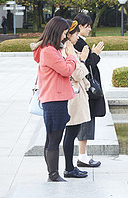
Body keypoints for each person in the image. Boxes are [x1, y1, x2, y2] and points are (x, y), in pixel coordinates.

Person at [32, 16, 77, 182]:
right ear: (57, 32)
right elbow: (66, 70)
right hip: (54, 100)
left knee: (52, 137)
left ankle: (53, 173)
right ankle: (53, 175)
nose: (65, 37)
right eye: (64, 33)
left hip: (55, 98)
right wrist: (71, 56)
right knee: (54, 138)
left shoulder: (50, 49)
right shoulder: (49, 51)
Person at [73, 13, 105, 167]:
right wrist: (96, 55)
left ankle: (82, 155)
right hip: (84, 88)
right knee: (85, 120)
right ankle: (82, 156)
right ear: (79, 26)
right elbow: (86, 65)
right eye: (87, 26)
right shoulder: (78, 43)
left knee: (86, 120)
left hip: (83, 87)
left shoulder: (80, 42)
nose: (90, 29)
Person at [62, 20, 91, 178]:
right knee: (71, 131)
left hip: (75, 93)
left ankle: (70, 167)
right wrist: (83, 59)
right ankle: (69, 168)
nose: (77, 38)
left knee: (72, 132)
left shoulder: (70, 47)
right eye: (75, 34)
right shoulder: (68, 48)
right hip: (73, 95)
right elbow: (76, 73)